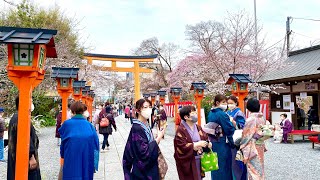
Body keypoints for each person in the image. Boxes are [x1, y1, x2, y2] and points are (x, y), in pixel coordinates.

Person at [123, 98, 166, 179]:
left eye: (150, 107)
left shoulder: (145, 124)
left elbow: (148, 144)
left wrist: (155, 139)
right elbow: (144, 152)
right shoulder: (137, 128)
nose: (149, 109)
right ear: (138, 110)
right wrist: (159, 138)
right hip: (142, 172)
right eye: (145, 107)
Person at [59, 101, 99, 180]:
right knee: (85, 175)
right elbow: (96, 143)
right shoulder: (89, 125)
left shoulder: (66, 124)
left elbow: (63, 141)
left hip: (70, 156)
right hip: (87, 156)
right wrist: (94, 162)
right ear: (83, 112)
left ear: (72, 111)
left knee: (71, 175)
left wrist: (63, 154)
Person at [174, 105, 212, 180]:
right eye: (193, 113)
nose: (195, 114)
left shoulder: (198, 127)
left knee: (198, 177)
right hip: (188, 161)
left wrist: (208, 143)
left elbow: (205, 137)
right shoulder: (180, 130)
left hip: (199, 158)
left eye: (195, 112)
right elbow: (180, 146)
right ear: (186, 117)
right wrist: (196, 145)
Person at [7, 96, 41, 180]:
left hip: (16, 157)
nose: (32, 104)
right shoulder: (21, 118)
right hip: (24, 160)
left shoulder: (15, 117)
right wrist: (31, 156)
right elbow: (25, 139)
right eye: (31, 101)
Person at [207, 94, 235, 180]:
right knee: (224, 166)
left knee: (215, 165)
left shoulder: (211, 112)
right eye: (223, 102)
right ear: (217, 102)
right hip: (222, 143)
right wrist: (232, 143)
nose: (225, 104)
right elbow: (229, 129)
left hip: (213, 142)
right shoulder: (221, 114)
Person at [240, 98, 267, 180]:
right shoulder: (262, 117)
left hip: (252, 146)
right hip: (260, 144)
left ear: (248, 108)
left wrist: (241, 145)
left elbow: (246, 135)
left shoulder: (251, 119)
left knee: (253, 168)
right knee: (259, 167)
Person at [226, 96, 247, 180]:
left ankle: (239, 178)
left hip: (236, 139)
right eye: (228, 103)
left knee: (237, 160)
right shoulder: (228, 112)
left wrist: (233, 121)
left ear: (236, 103)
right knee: (231, 161)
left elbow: (242, 126)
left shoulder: (239, 113)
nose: (230, 105)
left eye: (231, 103)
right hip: (229, 138)